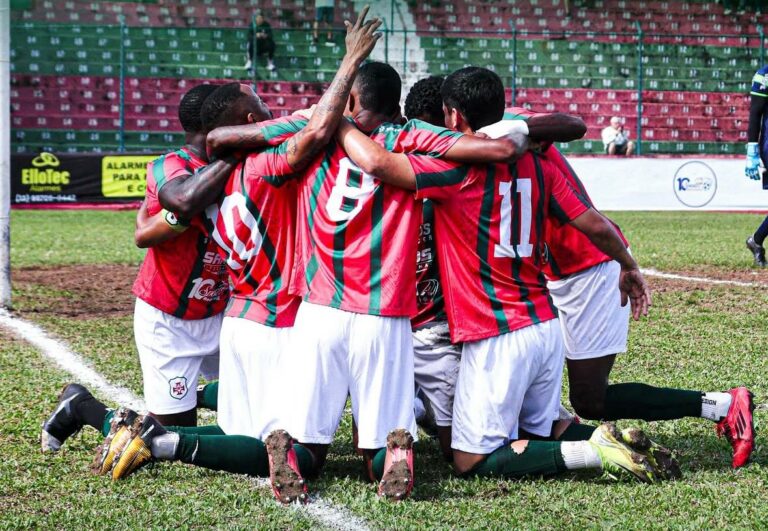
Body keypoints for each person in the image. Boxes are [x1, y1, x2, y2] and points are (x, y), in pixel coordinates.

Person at [334, 66, 679, 483]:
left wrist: (338, 119)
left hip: (498, 332)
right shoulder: (538, 163)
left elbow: (381, 165)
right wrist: (628, 264)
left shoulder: (453, 172)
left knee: (469, 460)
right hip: (546, 326)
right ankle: (621, 442)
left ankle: (598, 454)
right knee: (541, 431)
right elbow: (593, 223)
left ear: (453, 116)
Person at [501, 107, 756, 470]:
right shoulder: (472, 142)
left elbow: (573, 124)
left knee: (590, 399)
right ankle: (560, 428)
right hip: (551, 273)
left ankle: (723, 406)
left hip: (589, 266)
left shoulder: (508, 127)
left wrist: (509, 126)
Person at [745, 63, 768, 267]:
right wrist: (752, 149)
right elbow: (755, 113)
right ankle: (756, 241)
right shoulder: (764, 76)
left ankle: (756, 240)